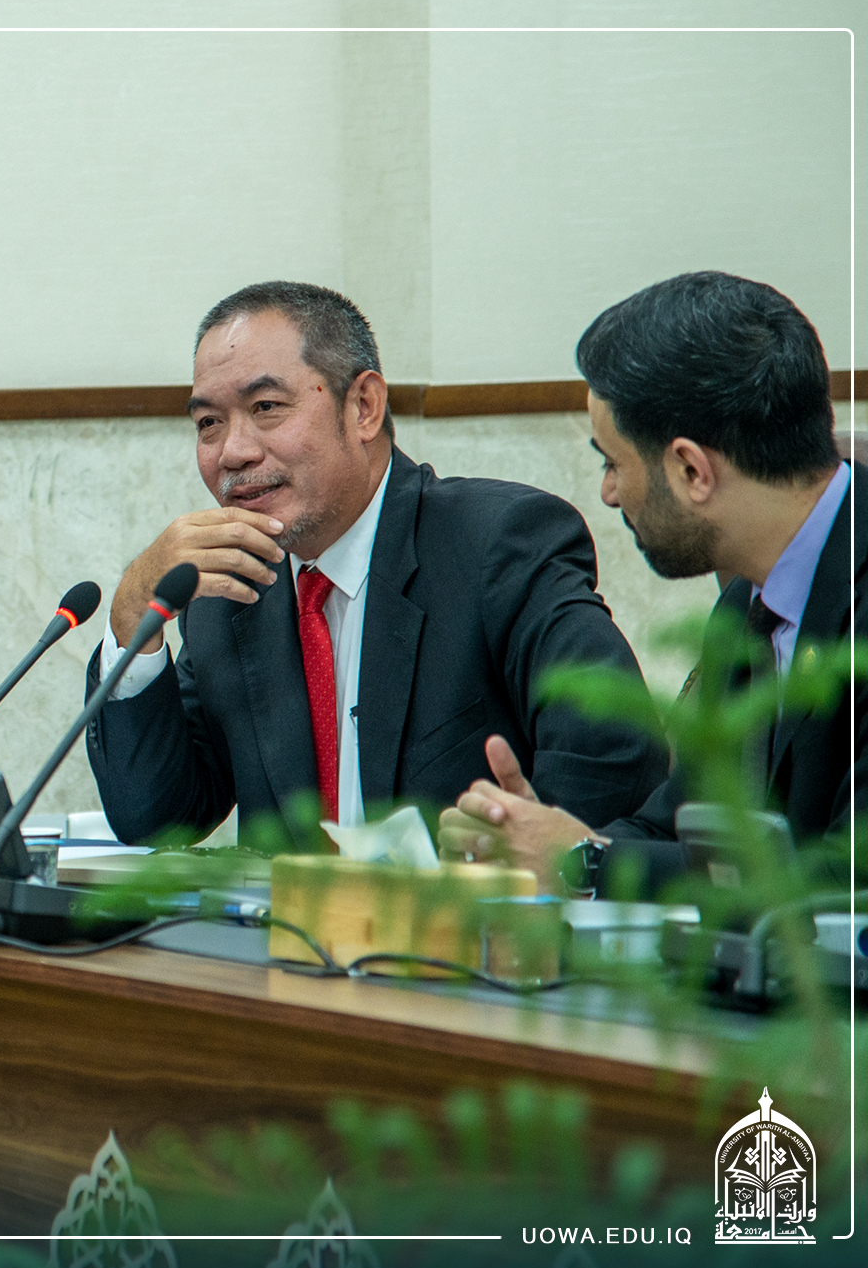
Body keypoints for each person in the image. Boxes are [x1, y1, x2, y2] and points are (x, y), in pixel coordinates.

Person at [86, 281, 664, 847]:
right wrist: (133, 617)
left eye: (266, 407)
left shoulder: (499, 543)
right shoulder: (231, 590)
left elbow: (616, 762)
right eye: (208, 423)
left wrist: (544, 863)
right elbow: (158, 820)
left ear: (363, 407)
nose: (233, 452)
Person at [437, 272, 868, 894]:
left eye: (612, 462)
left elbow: (854, 879)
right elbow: (675, 828)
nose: (608, 492)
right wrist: (538, 839)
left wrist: (585, 862)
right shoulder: (748, 604)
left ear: (692, 469)